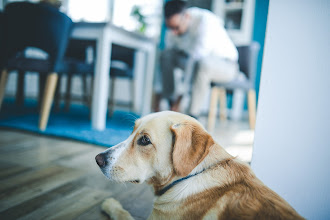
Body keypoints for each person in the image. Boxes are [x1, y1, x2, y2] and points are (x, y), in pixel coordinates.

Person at [154, 0, 239, 118]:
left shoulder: (206, 22)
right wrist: (158, 93)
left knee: (203, 64)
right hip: (194, 62)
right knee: (166, 55)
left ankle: (192, 116)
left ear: (187, 17)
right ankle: (169, 101)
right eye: (169, 27)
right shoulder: (173, 27)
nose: (173, 32)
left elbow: (193, 63)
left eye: (176, 27)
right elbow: (170, 54)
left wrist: (181, 97)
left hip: (226, 65)